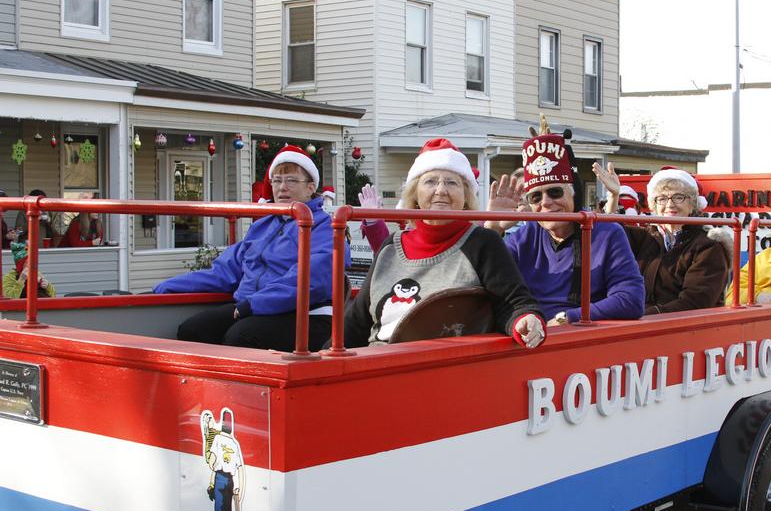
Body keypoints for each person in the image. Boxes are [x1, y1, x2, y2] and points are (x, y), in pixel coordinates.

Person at [343, 138, 545, 348]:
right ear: (415, 195)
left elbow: (514, 303)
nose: (440, 190)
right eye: (430, 181)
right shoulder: (389, 247)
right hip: (379, 362)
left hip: (446, 365)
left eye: (451, 182)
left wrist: (525, 319)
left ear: (466, 197)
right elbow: (356, 322)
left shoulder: (482, 242)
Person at [153, 145, 347, 351]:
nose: (282, 187)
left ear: (310, 187)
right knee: (193, 330)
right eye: (277, 180)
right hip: (255, 308)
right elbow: (225, 271)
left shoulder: (325, 228)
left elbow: (310, 280)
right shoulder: (262, 226)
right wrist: (167, 287)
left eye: (291, 180)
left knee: (241, 337)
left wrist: (252, 305)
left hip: (308, 314)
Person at [488, 122, 645, 324]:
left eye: (555, 192)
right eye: (535, 197)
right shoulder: (524, 237)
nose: (545, 202)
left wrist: (566, 318)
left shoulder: (607, 233)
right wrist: (493, 231)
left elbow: (631, 299)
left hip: (582, 340)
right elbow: (491, 289)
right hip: (529, 336)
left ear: (573, 194)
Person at [593, 163, 731, 314]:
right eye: (662, 199)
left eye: (679, 197)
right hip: (639, 325)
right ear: (654, 205)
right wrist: (614, 197)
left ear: (693, 204)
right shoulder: (646, 236)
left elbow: (694, 303)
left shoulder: (708, 246)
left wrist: (639, 315)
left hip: (685, 330)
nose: (670, 204)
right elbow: (609, 235)